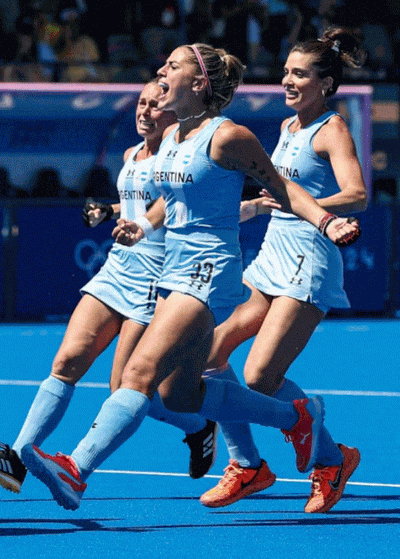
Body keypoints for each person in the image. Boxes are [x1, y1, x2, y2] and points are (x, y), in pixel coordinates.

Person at [23, 42, 360, 513]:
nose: (162, 69)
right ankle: (296, 416)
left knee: (138, 373)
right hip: (173, 271)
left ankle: (76, 469)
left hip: (209, 271)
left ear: (199, 84)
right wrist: (140, 223)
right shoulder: (175, 137)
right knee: (180, 394)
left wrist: (325, 221)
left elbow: (282, 188)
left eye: (173, 65)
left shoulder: (228, 136)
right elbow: (171, 196)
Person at [0, 82, 220, 496]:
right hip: (117, 272)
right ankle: (16, 459)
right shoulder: (130, 155)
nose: (145, 111)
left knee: (128, 387)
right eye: (142, 103)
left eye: (156, 106)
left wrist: (143, 225)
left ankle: (197, 425)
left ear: (174, 111)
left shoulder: (182, 160)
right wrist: (111, 210)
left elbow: (174, 203)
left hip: (158, 280)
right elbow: (140, 199)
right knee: (67, 360)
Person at [199, 27, 366, 513]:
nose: (287, 81)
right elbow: (282, 193)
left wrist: (304, 208)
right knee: (208, 356)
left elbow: (356, 193)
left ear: (327, 85)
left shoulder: (331, 128)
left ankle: (333, 458)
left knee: (260, 377)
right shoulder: (288, 127)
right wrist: (262, 206)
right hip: (271, 256)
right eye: (286, 72)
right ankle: (247, 465)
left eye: (299, 74)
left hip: (309, 262)